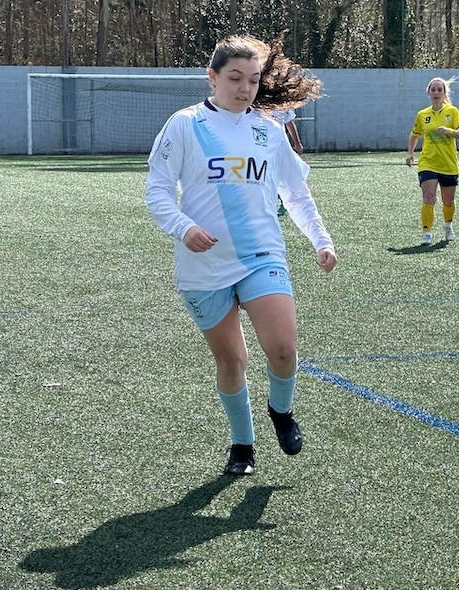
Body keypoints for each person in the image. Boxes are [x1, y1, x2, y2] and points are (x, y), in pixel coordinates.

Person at [145, 33, 337, 477]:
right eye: (235, 78)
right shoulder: (185, 124)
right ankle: (242, 445)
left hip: (260, 255)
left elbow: (296, 193)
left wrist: (321, 239)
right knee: (232, 361)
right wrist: (184, 227)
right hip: (203, 266)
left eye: (252, 80)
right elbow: (157, 191)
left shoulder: (268, 130)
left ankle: (281, 411)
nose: (245, 88)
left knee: (283, 349)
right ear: (211, 77)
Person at [405, 77, 459, 245]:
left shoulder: (452, 112)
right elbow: (414, 134)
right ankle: (427, 232)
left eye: (440, 90)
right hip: (428, 162)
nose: (436, 92)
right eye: (433, 90)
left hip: (448, 164)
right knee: (428, 196)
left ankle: (448, 225)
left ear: (444, 93)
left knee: (448, 201)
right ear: (429, 93)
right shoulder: (422, 115)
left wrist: (448, 131)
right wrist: (410, 153)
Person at [272, 108, 305, 217]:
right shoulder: (255, 104)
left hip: (279, 147)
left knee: (282, 175)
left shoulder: (281, 105)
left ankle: (284, 201)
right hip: (260, 147)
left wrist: (297, 143)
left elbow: (289, 122)